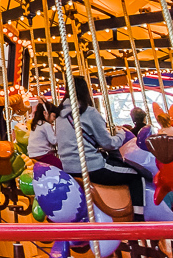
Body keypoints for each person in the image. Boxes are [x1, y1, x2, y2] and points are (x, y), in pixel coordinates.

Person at [54, 76, 145, 218]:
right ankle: (139, 219)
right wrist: (121, 134)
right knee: (136, 175)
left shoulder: (59, 116)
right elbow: (108, 144)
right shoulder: (88, 112)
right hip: (91, 167)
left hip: (69, 168)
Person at [27, 100, 62, 168]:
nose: (54, 119)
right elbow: (54, 141)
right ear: (45, 113)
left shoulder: (37, 124)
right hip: (42, 155)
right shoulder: (46, 125)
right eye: (54, 116)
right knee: (59, 165)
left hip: (32, 154)